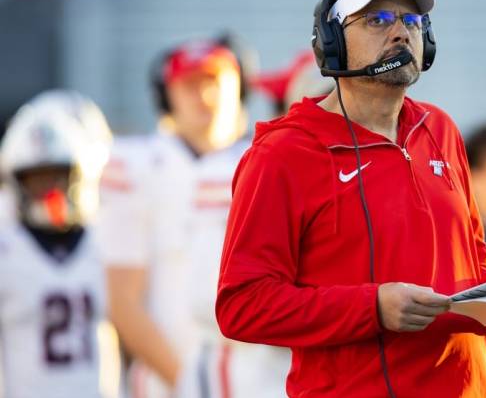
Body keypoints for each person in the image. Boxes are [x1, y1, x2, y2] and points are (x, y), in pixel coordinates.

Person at [215, 0, 486, 397]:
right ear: (332, 42)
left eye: (412, 20)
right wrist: (373, 307)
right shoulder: (281, 155)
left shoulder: (441, 130)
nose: (401, 32)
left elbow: (469, 271)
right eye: (378, 19)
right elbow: (242, 307)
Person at [96, 37, 289, 398]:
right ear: (166, 94)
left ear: (240, 87)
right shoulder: (136, 164)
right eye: (189, 84)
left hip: (258, 379)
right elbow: (121, 299)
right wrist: (187, 383)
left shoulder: (265, 161)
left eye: (214, 81)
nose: (204, 95)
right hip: (162, 381)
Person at [0, 91, 114, 398]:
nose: (49, 190)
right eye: (37, 180)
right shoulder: (7, 251)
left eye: (57, 177)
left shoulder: (103, 240)